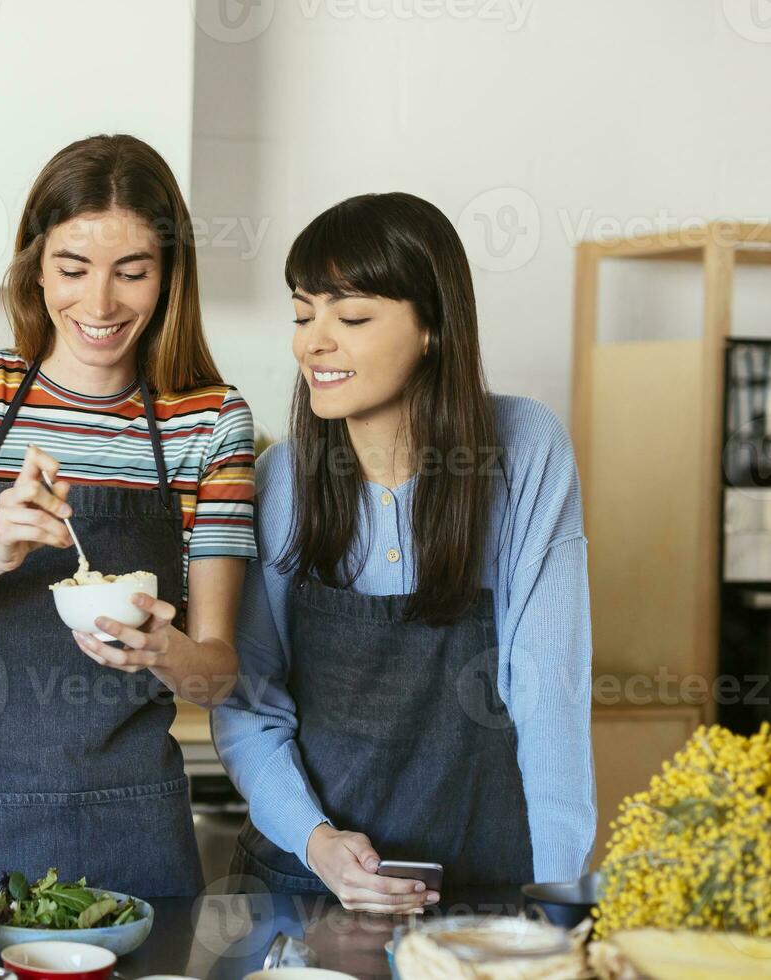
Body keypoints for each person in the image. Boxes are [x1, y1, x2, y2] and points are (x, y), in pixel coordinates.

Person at [0, 135, 257, 904]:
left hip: (133, 821)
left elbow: (218, 675)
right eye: (73, 269)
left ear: (170, 276)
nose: (99, 304)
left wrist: (161, 649)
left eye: (131, 272)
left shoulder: (208, 422)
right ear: (35, 266)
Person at [213, 192, 595, 913]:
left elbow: (550, 694)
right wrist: (316, 840)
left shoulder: (524, 451)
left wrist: (556, 906)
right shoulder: (282, 481)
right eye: (303, 314)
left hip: (482, 887)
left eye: (351, 316)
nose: (312, 342)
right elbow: (251, 702)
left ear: (433, 329)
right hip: (307, 886)